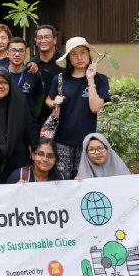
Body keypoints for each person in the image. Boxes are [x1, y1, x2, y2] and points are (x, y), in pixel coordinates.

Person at [46, 37, 110, 179]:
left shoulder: (100, 79)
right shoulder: (60, 79)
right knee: (62, 182)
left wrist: (90, 79)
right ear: (68, 58)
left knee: (85, 182)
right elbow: (48, 100)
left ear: (89, 55)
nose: (79, 57)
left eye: (82, 53)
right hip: (61, 141)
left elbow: (95, 108)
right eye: (74, 54)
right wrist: (54, 102)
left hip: (87, 142)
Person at [27, 25, 64, 124]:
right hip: (38, 120)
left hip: (63, 117)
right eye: (39, 38)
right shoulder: (31, 65)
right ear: (36, 40)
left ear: (55, 40)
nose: (43, 40)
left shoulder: (64, 62)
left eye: (47, 37)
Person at [7, 37, 43, 135]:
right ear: (7, 53)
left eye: (21, 51)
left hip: (29, 126)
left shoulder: (34, 75)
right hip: (6, 125)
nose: (17, 54)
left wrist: (32, 115)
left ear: (25, 54)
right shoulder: (1, 74)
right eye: (14, 50)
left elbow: (39, 98)